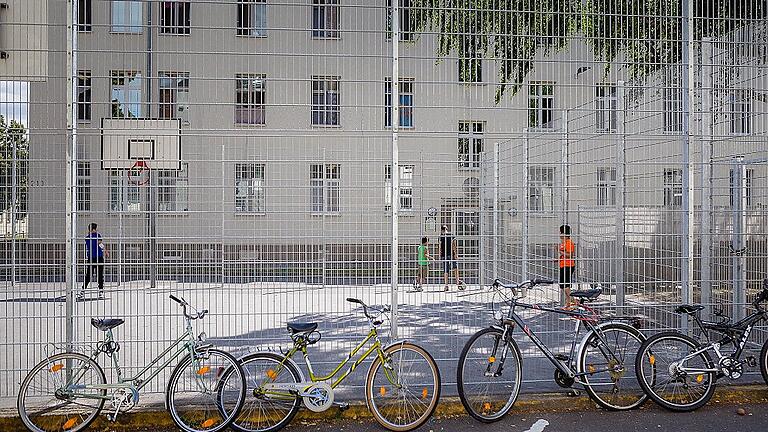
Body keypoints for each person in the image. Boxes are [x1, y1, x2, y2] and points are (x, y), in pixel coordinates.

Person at [79, 223, 109, 300]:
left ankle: (82, 291)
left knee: (88, 275)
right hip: (99, 257)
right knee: (100, 275)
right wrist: (105, 251)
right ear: (94, 229)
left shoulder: (87, 238)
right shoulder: (97, 235)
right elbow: (100, 244)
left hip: (91, 258)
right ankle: (101, 291)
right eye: (96, 228)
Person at [439, 225, 465, 292]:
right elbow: (454, 245)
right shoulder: (451, 235)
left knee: (446, 270)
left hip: (444, 255)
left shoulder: (441, 237)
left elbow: (440, 247)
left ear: (442, 230)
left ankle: (446, 285)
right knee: (455, 268)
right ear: (447, 229)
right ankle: (458, 282)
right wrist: (456, 254)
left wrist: (440, 254)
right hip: (452, 254)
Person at [558, 224, 576, 307]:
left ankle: (570, 302)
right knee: (562, 285)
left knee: (565, 285)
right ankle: (571, 300)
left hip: (568, 265)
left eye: (561, 232)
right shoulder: (564, 243)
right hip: (563, 265)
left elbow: (570, 255)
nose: (559, 234)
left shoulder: (569, 243)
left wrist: (560, 252)